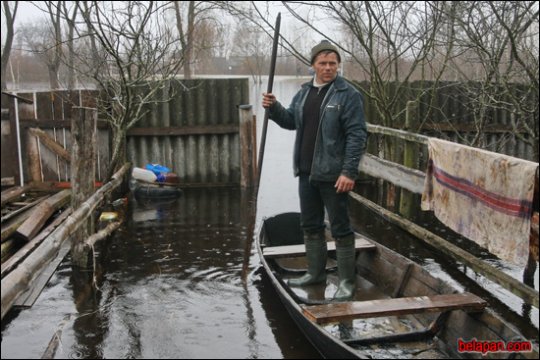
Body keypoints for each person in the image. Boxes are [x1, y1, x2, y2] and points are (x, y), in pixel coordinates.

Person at [262, 40, 367, 301]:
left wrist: (349, 172)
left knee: (341, 228)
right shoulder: (304, 92)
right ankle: (315, 273)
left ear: (338, 65)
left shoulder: (347, 95)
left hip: (334, 176)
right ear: (313, 65)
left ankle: (346, 282)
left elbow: (357, 135)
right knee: (310, 225)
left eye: (333, 63)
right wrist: (273, 108)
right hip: (306, 173)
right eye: (323, 63)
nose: (328, 67)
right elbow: (290, 121)